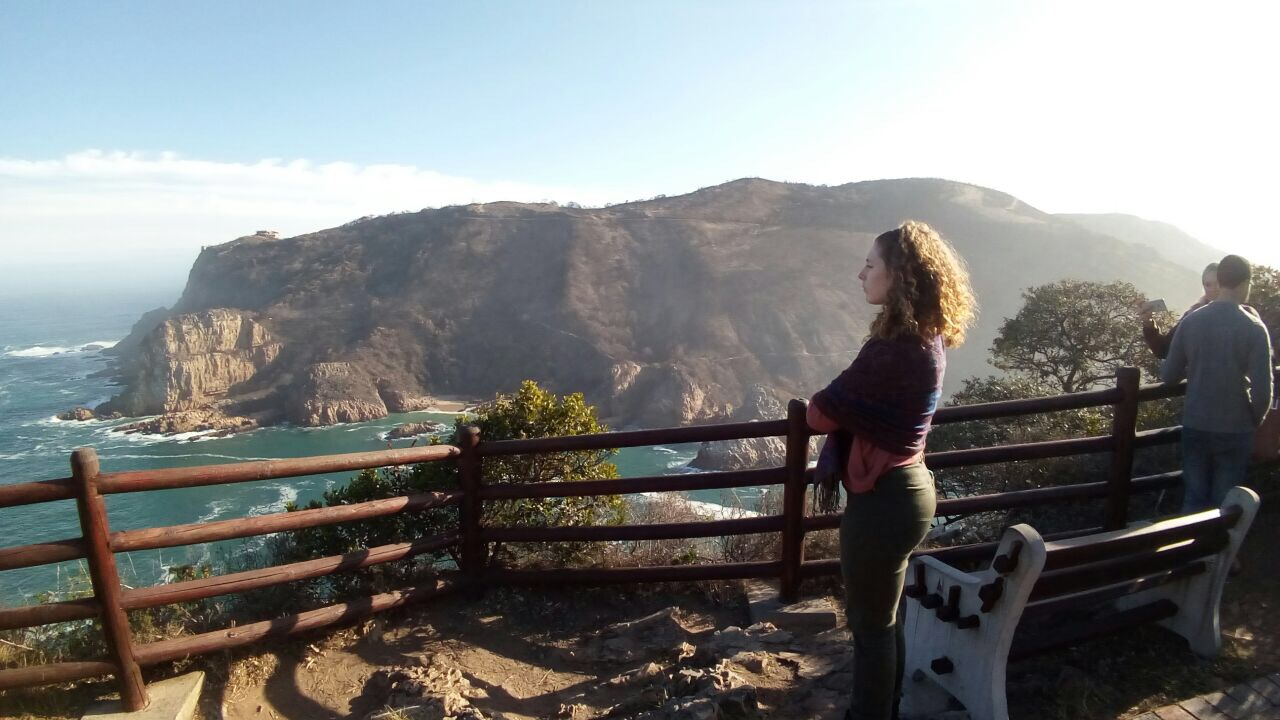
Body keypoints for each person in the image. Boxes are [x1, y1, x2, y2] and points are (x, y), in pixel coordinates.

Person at [806, 220, 976, 720]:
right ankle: (887, 708)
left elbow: (820, 411)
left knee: (870, 624)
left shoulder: (895, 350)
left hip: (883, 500)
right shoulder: (926, 337)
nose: (860, 274)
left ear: (898, 275)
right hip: (909, 489)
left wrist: (833, 403)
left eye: (870, 264)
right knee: (886, 616)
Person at [1161, 254, 1273, 512]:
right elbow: (1262, 391)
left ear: (1220, 281)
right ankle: (1215, 552)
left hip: (1196, 422)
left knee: (1194, 497)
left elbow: (1168, 376)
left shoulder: (1192, 321)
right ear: (1245, 283)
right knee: (1223, 503)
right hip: (1235, 427)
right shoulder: (1253, 327)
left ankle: (1190, 550)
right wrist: (1252, 420)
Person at [1140, 262, 1219, 359]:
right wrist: (1149, 323)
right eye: (1208, 284)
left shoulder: (1238, 316)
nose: (1213, 289)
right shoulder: (1193, 314)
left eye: (1218, 283)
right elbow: (1165, 350)